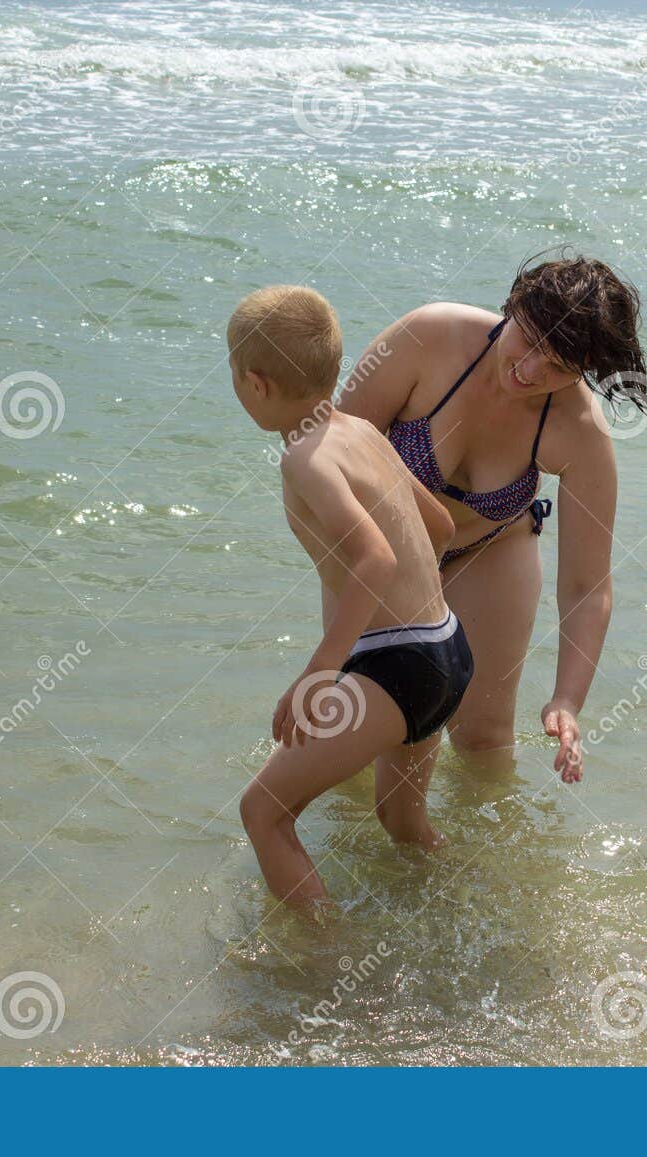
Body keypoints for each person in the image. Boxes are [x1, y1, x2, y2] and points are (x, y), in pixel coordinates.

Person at [340, 253, 647, 786]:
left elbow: (588, 586)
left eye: (560, 367)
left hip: (490, 550)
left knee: (483, 738)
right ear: (513, 304)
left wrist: (567, 698)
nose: (531, 370)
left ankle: (490, 862)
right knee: (358, 729)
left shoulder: (580, 431)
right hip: (383, 550)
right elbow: (333, 450)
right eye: (532, 341)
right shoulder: (429, 335)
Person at [229, 285, 473, 910]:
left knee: (263, 812)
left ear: (254, 384)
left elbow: (374, 556)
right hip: (446, 647)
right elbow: (441, 529)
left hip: (397, 663)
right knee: (403, 824)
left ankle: (321, 965)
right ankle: (468, 900)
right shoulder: (361, 429)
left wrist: (321, 674)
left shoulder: (304, 460)